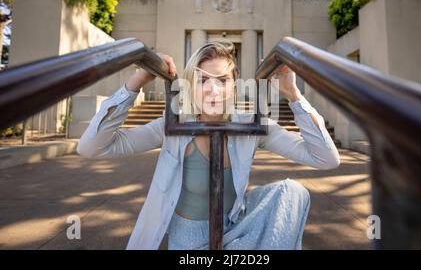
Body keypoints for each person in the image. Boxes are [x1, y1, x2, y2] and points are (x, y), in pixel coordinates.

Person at [77, 41, 340, 250]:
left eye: (222, 80)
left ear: (234, 85)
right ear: (191, 85)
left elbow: (326, 158)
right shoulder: (174, 124)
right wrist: (136, 81)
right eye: (203, 80)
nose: (213, 90)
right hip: (190, 238)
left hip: (236, 225)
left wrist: (292, 94)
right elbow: (92, 147)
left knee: (293, 192)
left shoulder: (251, 124)